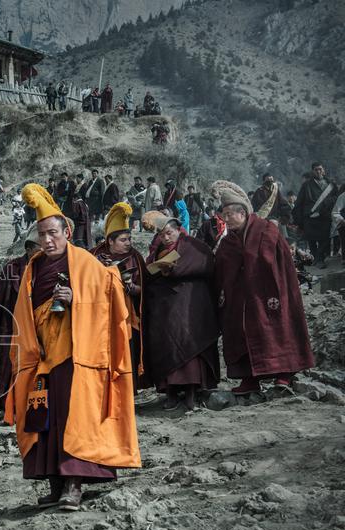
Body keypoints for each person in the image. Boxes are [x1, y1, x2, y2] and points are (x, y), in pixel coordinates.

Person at [5, 184, 140, 511]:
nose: (47, 240)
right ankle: (54, 482)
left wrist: (76, 300)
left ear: (67, 231)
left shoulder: (85, 263)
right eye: (41, 235)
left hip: (77, 354)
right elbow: (23, 311)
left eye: (52, 233)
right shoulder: (33, 268)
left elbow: (112, 300)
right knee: (44, 419)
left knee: (73, 418)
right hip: (42, 355)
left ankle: (74, 485)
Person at [212, 180, 315, 399]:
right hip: (240, 299)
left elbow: (281, 262)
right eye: (224, 215)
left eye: (230, 214)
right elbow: (222, 267)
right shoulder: (228, 241)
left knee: (277, 329)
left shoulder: (267, 231)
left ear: (243, 213)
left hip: (268, 294)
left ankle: (284, 374)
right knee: (241, 333)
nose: (226, 219)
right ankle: (250, 379)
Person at [141, 213, 220, 411]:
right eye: (162, 235)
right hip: (164, 306)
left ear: (178, 230)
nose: (166, 238)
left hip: (189, 302)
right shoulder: (156, 250)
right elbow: (148, 272)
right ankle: (171, 391)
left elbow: (206, 262)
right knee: (166, 345)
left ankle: (193, 390)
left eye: (169, 233)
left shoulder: (193, 246)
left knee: (189, 340)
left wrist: (175, 270)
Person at [0, 229, 42, 418]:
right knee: (4, 363)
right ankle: (1, 405)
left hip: (38, 326)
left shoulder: (47, 267)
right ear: (30, 249)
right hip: (10, 325)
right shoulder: (13, 269)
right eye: (40, 248)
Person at [91, 203, 146, 390]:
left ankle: (127, 389)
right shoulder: (95, 255)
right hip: (101, 315)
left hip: (127, 315)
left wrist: (131, 288)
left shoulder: (136, 257)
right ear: (110, 241)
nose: (129, 243)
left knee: (126, 350)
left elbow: (146, 288)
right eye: (123, 240)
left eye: (129, 239)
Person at [292, 163, 336, 267]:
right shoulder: (306, 185)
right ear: (313, 171)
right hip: (310, 217)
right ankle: (317, 259)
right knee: (311, 239)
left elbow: (336, 197)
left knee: (324, 238)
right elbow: (299, 202)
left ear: (323, 170)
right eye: (316, 170)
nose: (319, 171)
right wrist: (299, 220)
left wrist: (327, 202)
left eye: (320, 169)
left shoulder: (331, 184)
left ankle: (319, 258)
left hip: (325, 216)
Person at [69, 174, 91, 248]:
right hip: (84, 224)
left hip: (80, 225)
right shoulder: (83, 204)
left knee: (78, 240)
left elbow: (77, 215)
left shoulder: (78, 204)